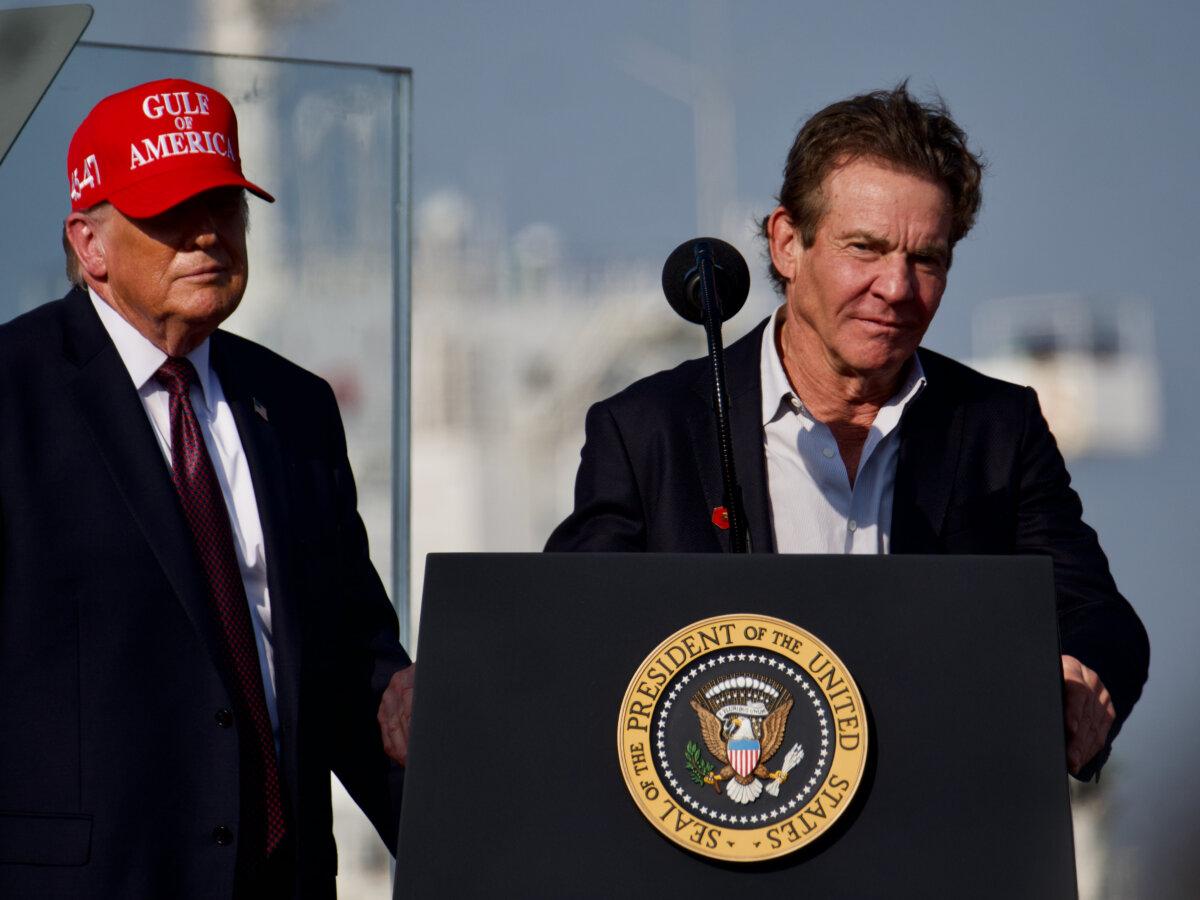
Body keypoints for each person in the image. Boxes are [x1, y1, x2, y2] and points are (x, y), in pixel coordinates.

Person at [546, 84, 1148, 782]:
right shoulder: (649, 430)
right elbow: (571, 639)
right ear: (786, 244)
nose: (896, 287)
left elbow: (1100, 619)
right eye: (865, 248)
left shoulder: (997, 428)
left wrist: (1083, 677)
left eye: (927, 260)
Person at [0, 78, 414, 898]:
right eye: (169, 211)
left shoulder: (293, 405)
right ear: (89, 245)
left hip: (277, 878)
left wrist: (466, 840)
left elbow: (346, 659)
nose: (207, 235)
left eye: (226, 207)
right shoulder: (12, 398)